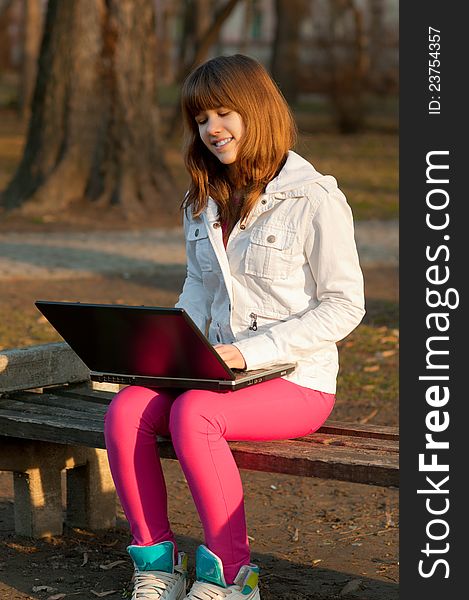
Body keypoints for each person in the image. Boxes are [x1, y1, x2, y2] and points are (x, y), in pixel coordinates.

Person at [104, 54, 365, 600]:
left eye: (224, 113)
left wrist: (251, 353)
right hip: (215, 373)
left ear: (258, 111)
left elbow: (344, 306)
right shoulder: (201, 197)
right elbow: (199, 287)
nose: (211, 130)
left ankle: (231, 575)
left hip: (296, 381)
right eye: (201, 119)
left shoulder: (314, 198)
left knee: (195, 414)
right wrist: (169, 350)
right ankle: (155, 566)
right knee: (127, 409)